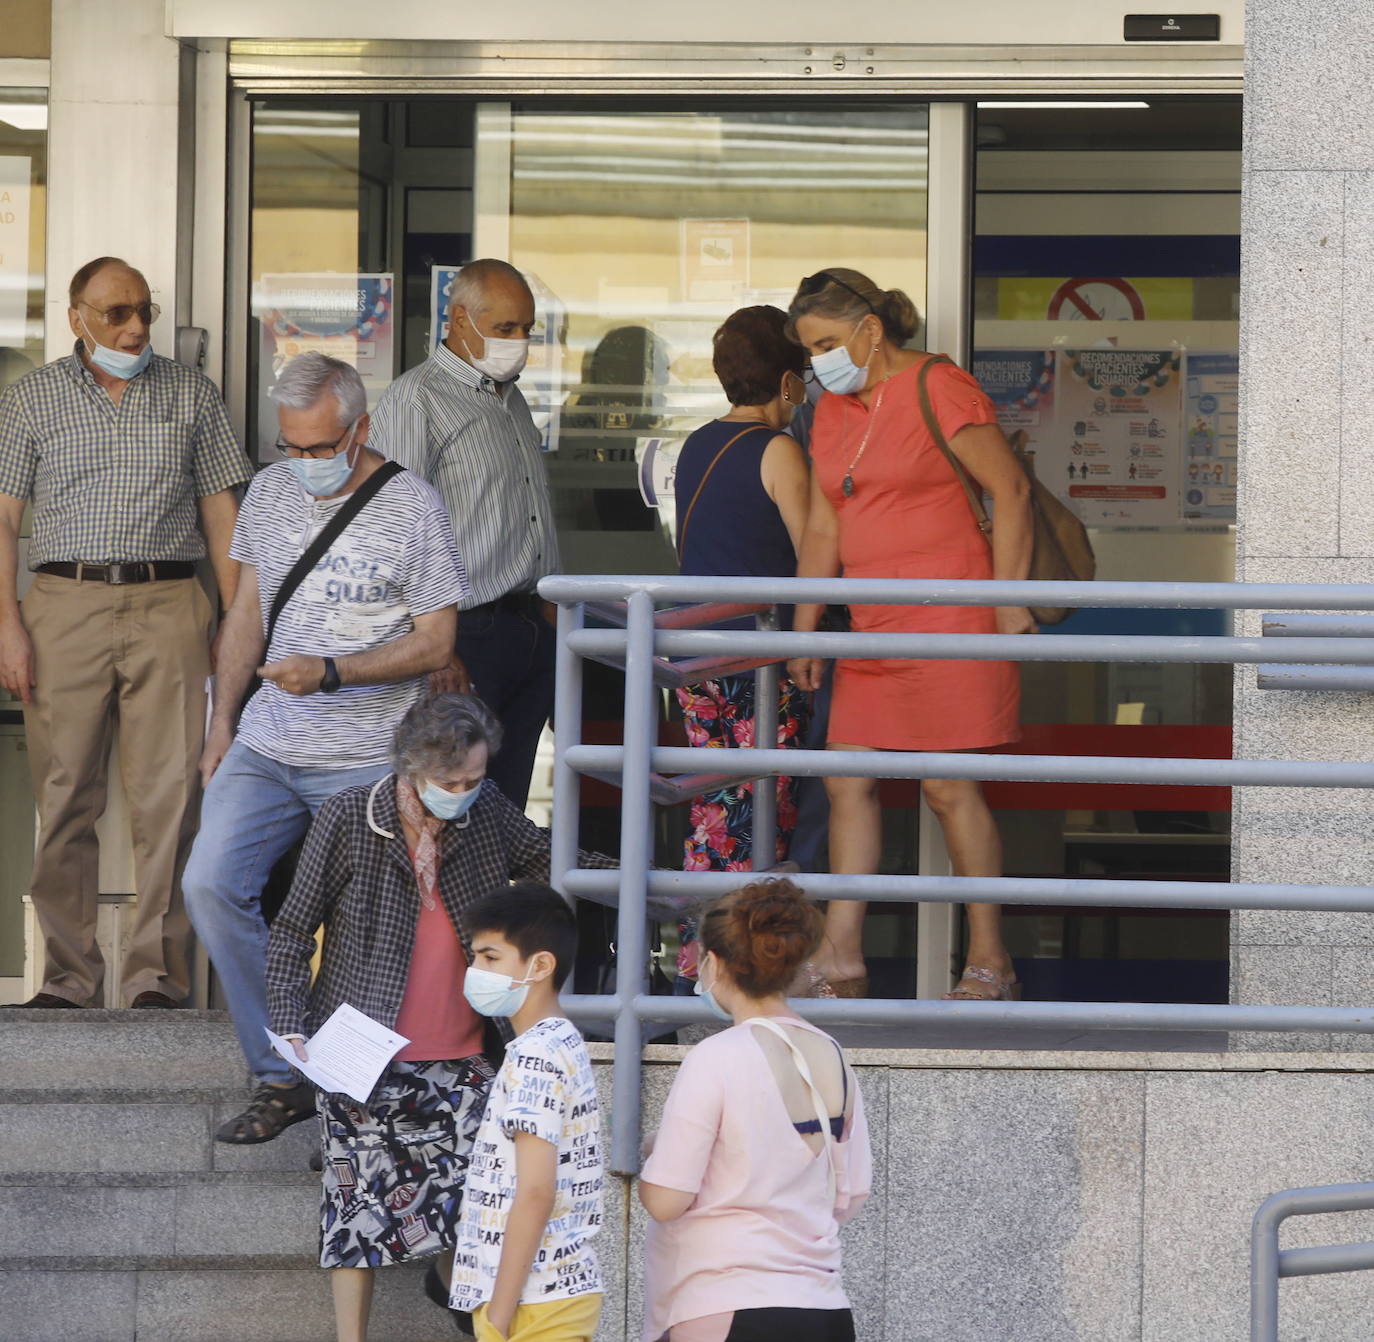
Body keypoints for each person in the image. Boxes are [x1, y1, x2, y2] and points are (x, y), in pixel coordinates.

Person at [184, 351, 467, 1144]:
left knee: (363, 929)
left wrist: (336, 671)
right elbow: (244, 614)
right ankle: (282, 1070)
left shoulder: (412, 506)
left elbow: (439, 639)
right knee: (210, 884)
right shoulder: (269, 496)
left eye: (319, 447)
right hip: (268, 744)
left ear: (360, 428)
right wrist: (221, 727)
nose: (302, 463)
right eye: (291, 446)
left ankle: (348, 1096)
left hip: (371, 757)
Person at [0, 256, 251, 1010]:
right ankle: (69, 978)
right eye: (115, 313)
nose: (135, 326)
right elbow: (4, 521)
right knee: (65, 793)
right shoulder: (33, 398)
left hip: (169, 601)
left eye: (143, 310)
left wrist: (237, 624)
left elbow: (221, 516)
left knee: (169, 799)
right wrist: (7, 625)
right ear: (76, 316)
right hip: (62, 603)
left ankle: (156, 978)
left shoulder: (190, 393)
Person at [785, 268, 1034, 1001]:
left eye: (828, 342)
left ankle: (990, 957)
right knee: (847, 779)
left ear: (870, 329)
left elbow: (1010, 488)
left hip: (955, 617)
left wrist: (1012, 601)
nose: (819, 361)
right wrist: (806, 629)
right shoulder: (832, 409)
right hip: (870, 627)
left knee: (949, 787)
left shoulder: (939, 386)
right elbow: (826, 520)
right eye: (809, 350)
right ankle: (840, 953)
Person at [639, 878, 872, 1342]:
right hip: (824, 1307)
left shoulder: (716, 1056)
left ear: (715, 962)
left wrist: (654, 1156)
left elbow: (666, 1200)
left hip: (723, 1303)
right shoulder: (832, 1053)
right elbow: (853, 1193)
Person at [372, 258, 560, 810]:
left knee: (507, 805)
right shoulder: (418, 399)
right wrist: (433, 648)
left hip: (530, 628)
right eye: (505, 329)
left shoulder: (511, 399)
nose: (518, 342)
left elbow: (528, 511)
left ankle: (490, 898)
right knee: (454, 796)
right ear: (458, 320)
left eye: (526, 329)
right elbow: (395, 530)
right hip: (463, 638)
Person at [671, 305, 813, 987]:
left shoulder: (697, 443)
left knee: (713, 814)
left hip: (701, 660)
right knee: (762, 819)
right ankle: (736, 972)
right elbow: (815, 551)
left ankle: (697, 965)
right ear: (786, 382)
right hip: (759, 667)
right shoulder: (778, 451)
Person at [449, 882, 605, 1342]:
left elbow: (535, 1191)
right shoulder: (558, 1042)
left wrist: (498, 1317)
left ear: (540, 965)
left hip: (532, 1306)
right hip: (545, 1299)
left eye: (491, 957)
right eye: (475, 957)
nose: (476, 969)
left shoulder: (536, 1054)